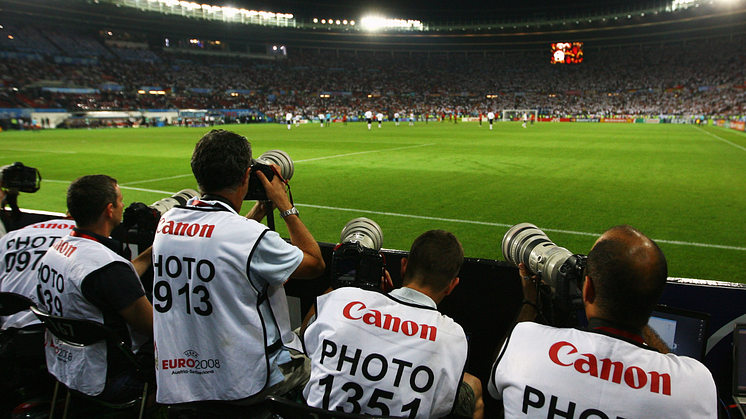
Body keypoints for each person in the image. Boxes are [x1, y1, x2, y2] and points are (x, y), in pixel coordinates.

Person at [152, 129, 325, 405]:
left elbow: (219, 236)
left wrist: (257, 211)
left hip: (183, 377)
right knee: (319, 363)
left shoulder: (168, 223)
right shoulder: (248, 238)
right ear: (246, 175)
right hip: (242, 382)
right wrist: (284, 204)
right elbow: (314, 263)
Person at [489, 225, 717, 418]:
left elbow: (494, 389)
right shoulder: (695, 385)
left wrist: (531, 301)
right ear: (654, 300)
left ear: (587, 289)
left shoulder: (525, 341)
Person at [304, 230, 484, 419]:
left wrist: (354, 285)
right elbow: (441, 407)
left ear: (404, 266)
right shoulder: (452, 335)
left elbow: (306, 334)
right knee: (473, 385)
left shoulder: (344, 301)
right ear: (451, 286)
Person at [36, 175, 153, 401]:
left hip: (65, 366)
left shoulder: (59, 249)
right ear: (110, 210)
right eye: (120, 201)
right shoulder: (106, 268)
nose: (122, 205)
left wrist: (154, 249)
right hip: (112, 376)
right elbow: (154, 328)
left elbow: (115, 280)